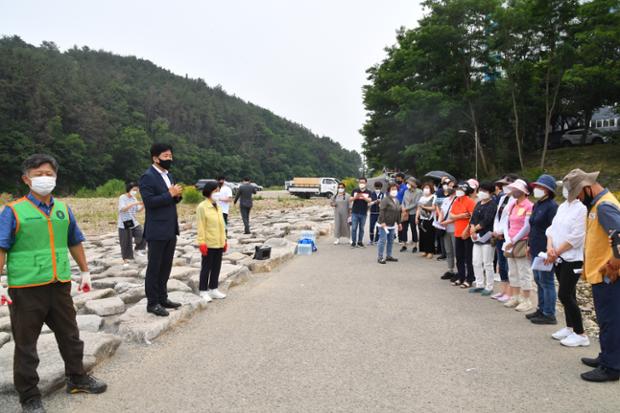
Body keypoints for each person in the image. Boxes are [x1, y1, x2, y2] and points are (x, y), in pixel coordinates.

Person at [0, 154, 106, 413]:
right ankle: (29, 397)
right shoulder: (13, 211)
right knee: (26, 345)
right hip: (26, 289)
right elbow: (1, 246)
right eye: (38, 175)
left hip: (59, 285)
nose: (44, 178)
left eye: (49, 174)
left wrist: (85, 271)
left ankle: (77, 379)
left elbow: (74, 240)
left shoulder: (63, 209)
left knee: (70, 336)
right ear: (26, 179)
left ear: (56, 177)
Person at [562, 169, 620, 382]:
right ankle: (607, 357)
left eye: (577, 193)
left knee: (610, 321)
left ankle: (612, 367)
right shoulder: (598, 204)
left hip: (609, 276)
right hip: (601, 274)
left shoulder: (604, 206)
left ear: (587, 188)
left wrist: (615, 263)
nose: (577, 198)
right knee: (607, 320)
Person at [139, 143, 183, 317]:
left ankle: (163, 298)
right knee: (154, 267)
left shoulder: (168, 175)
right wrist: (170, 194)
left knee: (166, 266)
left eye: (170, 156)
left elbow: (168, 200)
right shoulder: (147, 177)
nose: (169, 159)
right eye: (166, 156)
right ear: (155, 158)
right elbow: (149, 202)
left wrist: (176, 197)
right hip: (156, 229)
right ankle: (152, 303)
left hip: (170, 227)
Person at [545, 182, 588, 343]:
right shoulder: (562, 206)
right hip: (558, 257)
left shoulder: (581, 209)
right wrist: (550, 247)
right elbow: (551, 229)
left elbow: (576, 237)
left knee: (564, 294)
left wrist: (556, 252)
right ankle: (570, 327)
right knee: (570, 294)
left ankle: (581, 333)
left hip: (572, 258)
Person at [526, 175, 558, 324]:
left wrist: (551, 250)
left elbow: (555, 230)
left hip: (545, 249)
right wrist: (529, 245)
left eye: (541, 187)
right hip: (535, 247)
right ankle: (541, 308)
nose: (537, 189)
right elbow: (532, 226)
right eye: (536, 186)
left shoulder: (552, 206)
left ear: (548, 190)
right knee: (538, 280)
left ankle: (549, 313)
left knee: (547, 281)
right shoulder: (537, 204)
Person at [503, 179, 534, 312]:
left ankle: (527, 299)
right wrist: (508, 238)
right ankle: (515, 296)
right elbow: (508, 222)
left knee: (524, 271)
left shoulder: (529, 205)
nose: (513, 191)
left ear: (523, 191)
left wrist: (514, 239)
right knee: (513, 270)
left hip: (521, 241)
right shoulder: (512, 205)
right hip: (510, 240)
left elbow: (527, 226)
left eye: (516, 189)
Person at [196, 181, 228, 302]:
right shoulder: (202, 207)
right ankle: (203, 291)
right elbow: (201, 226)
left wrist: (225, 240)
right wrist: (202, 243)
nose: (218, 193)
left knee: (216, 267)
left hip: (219, 242)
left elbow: (222, 225)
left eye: (218, 191)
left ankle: (213, 289)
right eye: (216, 191)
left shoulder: (218, 206)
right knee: (206, 267)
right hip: (208, 242)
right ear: (209, 192)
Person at [491, 174, 518, 302]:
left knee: (509, 266)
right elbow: (498, 216)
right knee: (501, 264)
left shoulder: (516, 200)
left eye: (507, 185)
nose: (504, 187)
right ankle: (503, 291)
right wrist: (496, 230)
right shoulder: (502, 198)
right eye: (503, 185)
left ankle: (510, 293)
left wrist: (502, 231)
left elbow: (510, 220)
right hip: (499, 235)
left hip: (508, 236)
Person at [469, 182, 498, 296]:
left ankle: (489, 286)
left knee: (488, 262)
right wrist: (472, 229)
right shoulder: (478, 203)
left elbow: (486, 221)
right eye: (481, 190)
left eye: (485, 191)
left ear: (490, 193)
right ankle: (479, 284)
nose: (482, 193)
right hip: (476, 237)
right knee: (476, 261)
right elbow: (473, 218)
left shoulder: (492, 205)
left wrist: (475, 229)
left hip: (487, 236)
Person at [450, 182, 476, 287]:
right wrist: (461, 215)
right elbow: (451, 215)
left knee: (468, 257)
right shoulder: (456, 201)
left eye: (460, 189)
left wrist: (466, 230)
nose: (458, 190)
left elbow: (472, 217)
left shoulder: (470, 202)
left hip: (467, 233)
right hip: (457, 232)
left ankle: (469, 279)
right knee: (459, 257)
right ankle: (461, 277)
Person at [117, 181, 146, 264]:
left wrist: (144, 204)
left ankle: (138, 249)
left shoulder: (134, 198)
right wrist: (135, 203)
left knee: (143, 233)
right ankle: (126, 259)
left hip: (133, 221)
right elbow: (123, 209)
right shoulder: (122, 197)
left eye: (137, 190)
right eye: (134, 190)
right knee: (126, 241)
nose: (135, 192)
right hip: (124, 222)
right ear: (129, 189)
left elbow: (138, 210)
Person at [437, 180, 458, 280]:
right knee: (448, 250)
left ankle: (460, 271)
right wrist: (440, 220)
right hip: (444, 229)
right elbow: (441, 211)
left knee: (456, 250)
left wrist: (445, 222)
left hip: (454, 228)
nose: (448, 188)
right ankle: (450, 270)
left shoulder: (458, 200)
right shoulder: (446, 200)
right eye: (448, 186)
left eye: (451, 186)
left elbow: (456, 216)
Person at [377, 183, 402, 264]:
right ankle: (380, 257)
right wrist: (383, 222)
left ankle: (389, 256)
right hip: (383, 224)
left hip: (392, 224)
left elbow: (398, 212)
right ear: (389, 190)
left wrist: (399, 223)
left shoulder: (397, 200)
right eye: (392, 189)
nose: (394, 191)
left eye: (395, 189)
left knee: (391, 241)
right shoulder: (385, 199)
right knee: (382, 240)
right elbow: (382, 211)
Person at [400, 177, 421, 253]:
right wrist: (403, 208)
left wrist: (406, 208)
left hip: (413, 212)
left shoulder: (419, 192)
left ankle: (415, 245)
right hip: (405, 213)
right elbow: (403, 201)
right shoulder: (406, 191)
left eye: (408, 183)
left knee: (413, 229)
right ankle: (404, 245)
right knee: (404, 229)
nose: (407, 184)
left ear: (413, 183)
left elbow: (416, 203)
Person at [349, 177, 372, 248]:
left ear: (366, 183)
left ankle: (360, 242)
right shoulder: (355, 190)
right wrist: (356, 197)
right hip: (355, 212)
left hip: (363, 213)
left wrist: (363, 197)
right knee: (354, 228)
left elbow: (370, 200)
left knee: (361, 228)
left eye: (363, 182)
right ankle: (353, 242)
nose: (361, 184)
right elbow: (350, 199)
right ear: (358, 183)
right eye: (360, 182)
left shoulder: (368, 192)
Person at [416, 183, 436, 258]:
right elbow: (418, 208)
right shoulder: (422, 198)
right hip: (422, 218)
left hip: (430, 218)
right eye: (425, 188)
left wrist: (424, 207)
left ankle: (430, 251)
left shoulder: (434, 197)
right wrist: (416, 217)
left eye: (428, 188)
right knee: (422, 235)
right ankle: (424, 250)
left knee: (430, 235)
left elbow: (433, 208)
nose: (426, 189)